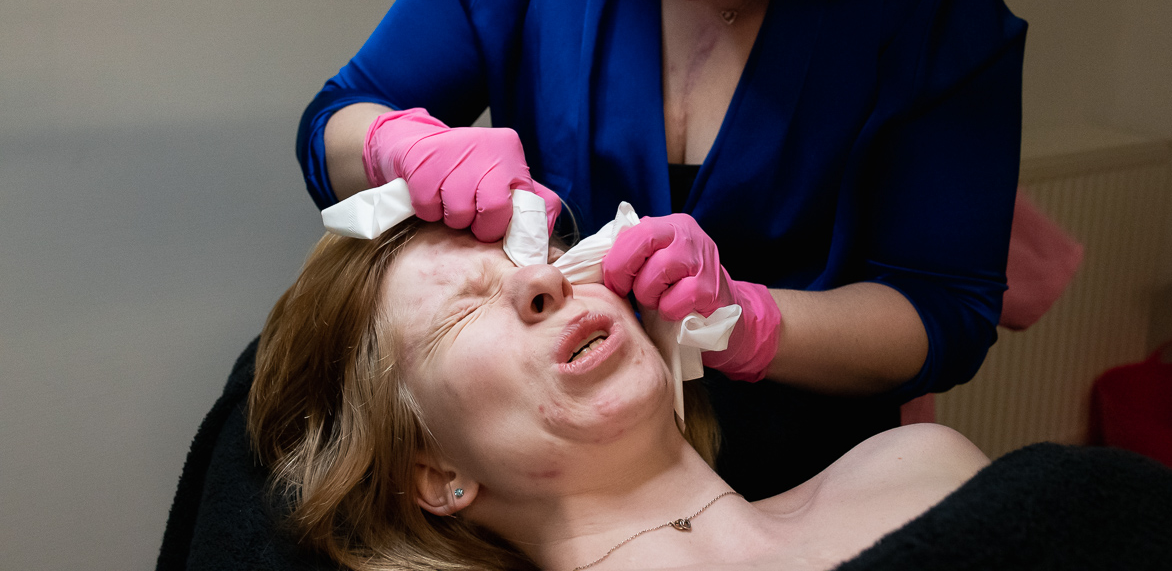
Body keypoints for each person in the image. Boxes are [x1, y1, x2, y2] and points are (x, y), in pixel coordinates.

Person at [296, 0, 1026, 497]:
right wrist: (395, 144)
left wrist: (748, 321)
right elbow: (339, 117)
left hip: (807, 461)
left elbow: (945, 307)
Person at [248, 219, 991, 571]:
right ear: (437, 473)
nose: (543, 283)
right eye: (463, 310)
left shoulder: (918, 463)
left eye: (548, 257)